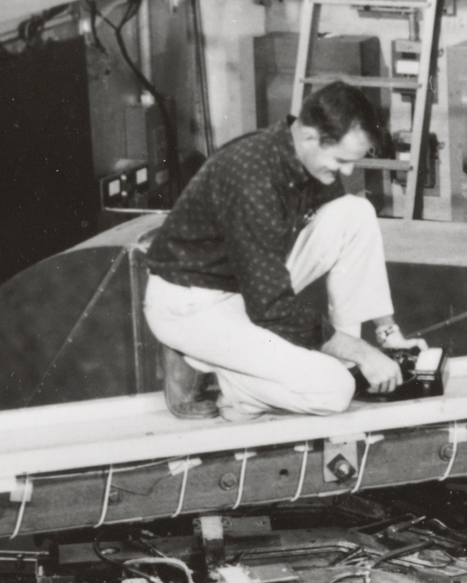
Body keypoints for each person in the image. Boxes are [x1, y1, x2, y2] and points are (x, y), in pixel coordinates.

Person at [143, 83, 418, 423]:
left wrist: (388, 335)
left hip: (239, 284)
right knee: (334, 392)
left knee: (356, 212)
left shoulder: (307, 156)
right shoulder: (253, 179)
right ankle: (212, 367)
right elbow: (271, 307)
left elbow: (342, 230)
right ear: (309, 138)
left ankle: (349, 363)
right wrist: (364, 353)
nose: (348, 172)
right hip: (192, 305)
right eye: (342, 160)